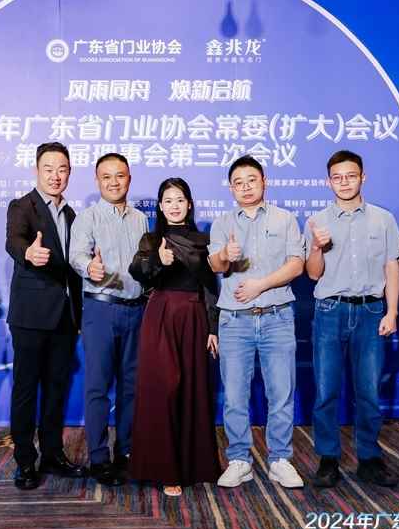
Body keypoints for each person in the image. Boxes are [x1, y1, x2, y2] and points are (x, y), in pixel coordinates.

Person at [305, 150, 399, 489]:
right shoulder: (317, 220)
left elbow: (392, 266)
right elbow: (313, 274)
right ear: (328, 181)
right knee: (326, 390)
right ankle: (328, 459)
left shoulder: (383, 219)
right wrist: (316, 248)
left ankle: (370, 459)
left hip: (371, 311)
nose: (344, 182)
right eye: (337, 177)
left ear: (363, 177)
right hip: (329, 311)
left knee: (368, 391)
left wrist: (392, 311)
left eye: (350, 176)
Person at [208, 155, 306, 489]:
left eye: (252, 180)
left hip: (277, 317)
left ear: (264, 181)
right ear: (231, 188)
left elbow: (297, 265)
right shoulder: (222, 223)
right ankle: (239, 460)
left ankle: (280, 459)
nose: (246, 187)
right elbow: (215, 266)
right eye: (238, 182)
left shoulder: (285, 219)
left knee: (281, 392)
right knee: (235, 395)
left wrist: (260, 285)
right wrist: (226, 255)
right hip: (235, 321)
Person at [128, 178, 222, 497]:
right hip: (161, 316)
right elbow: (137, 271)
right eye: (167, 200)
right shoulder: (151, 239)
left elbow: (210, 286)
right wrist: (159, 260)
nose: (174, 206)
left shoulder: (203, 240)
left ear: (189, 204)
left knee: (193, 390)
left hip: (194, 317)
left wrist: (213, 328)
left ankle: (193, 467)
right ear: (160, 206)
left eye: (179, 199)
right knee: (163, 388)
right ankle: (165, 469)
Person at [5, 142, 86, 490]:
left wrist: (79, 314)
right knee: (26, 390)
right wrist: (28, 253)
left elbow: (74, 270)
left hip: (65, 318)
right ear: (36, 171)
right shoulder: (22, 206)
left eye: (62, 169)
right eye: (49, 169)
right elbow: (13, 241)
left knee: (56, 389)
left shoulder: (71, 215)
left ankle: (52, 454)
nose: (56, 176)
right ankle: (25, 461)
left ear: (69, 173)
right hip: (30, 315)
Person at [69, 153, 148, 486]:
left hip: (137, 310)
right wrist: (90, 267)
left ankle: (126, 451)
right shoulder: (87, 218)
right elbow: (76, 255)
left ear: (129, 178)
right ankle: (99, 457)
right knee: (98, 387)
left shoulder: (141, 219)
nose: (114, 182)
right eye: (107, 177)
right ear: (97, 181)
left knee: (132, 386)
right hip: (100, 309)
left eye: (120, 175)